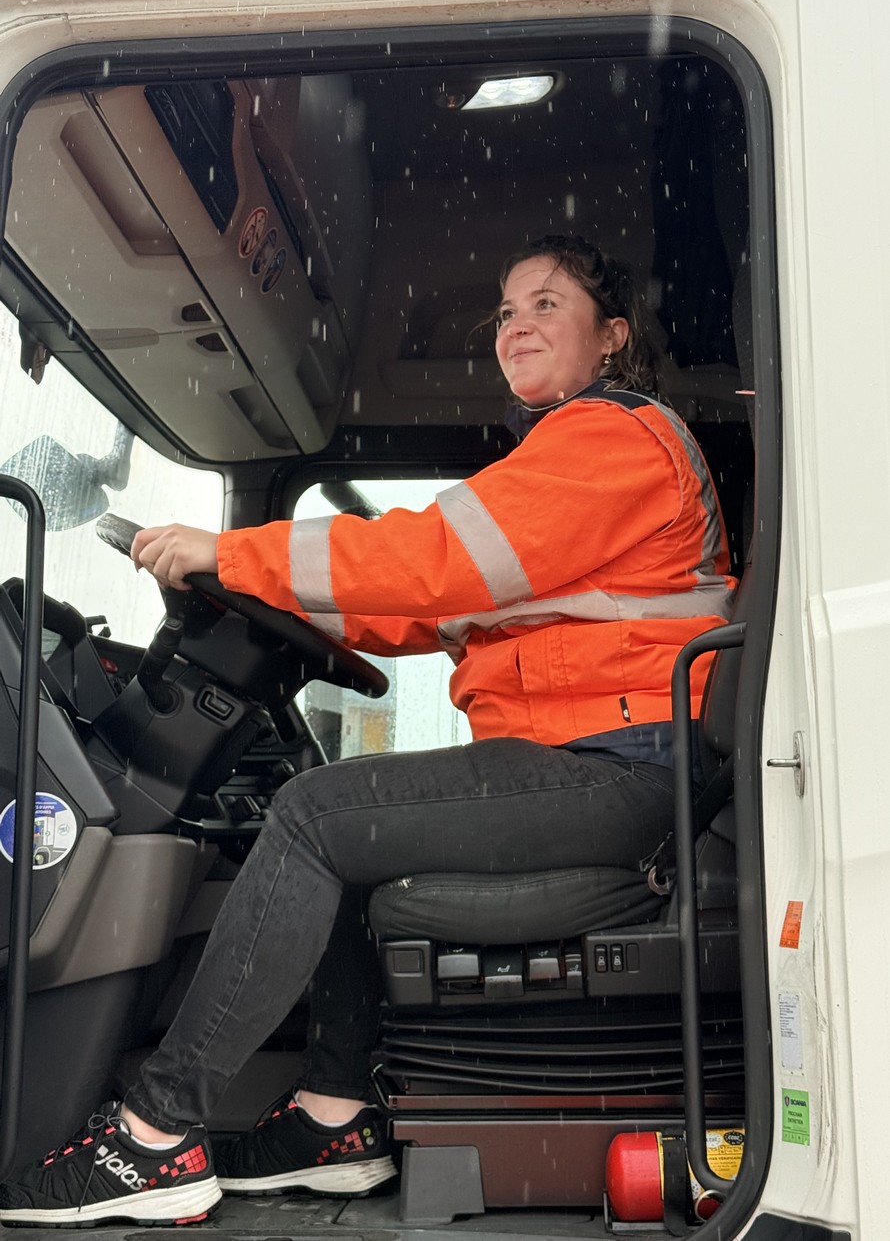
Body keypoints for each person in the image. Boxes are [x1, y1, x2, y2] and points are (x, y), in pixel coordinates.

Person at [0, 235, 736, 1227]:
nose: (516, 324)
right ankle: (333, 1117)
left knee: (309, 814)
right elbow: (427, 612)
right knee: (346, 826)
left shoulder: (609, 440)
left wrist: (234, 551)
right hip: (596, 757)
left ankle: (154, 1136)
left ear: (610, 337)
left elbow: (432, 562)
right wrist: (264, 588)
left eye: (546, 306)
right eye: (507, 310)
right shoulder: (569, 456)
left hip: (620, 768)